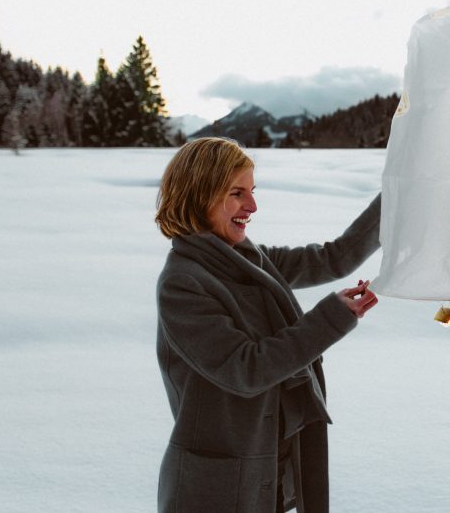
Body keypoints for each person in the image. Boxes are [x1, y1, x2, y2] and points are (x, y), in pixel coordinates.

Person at [154, 137, 381, 513]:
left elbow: (332, 259)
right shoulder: (183, 284)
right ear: (200, 195)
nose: (252, 206)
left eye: (252, 191)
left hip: (265, 474)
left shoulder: (248, 258)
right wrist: (331, 320)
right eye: (237, 193)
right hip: (213, 492)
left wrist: (399, 198)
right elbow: (246, 369)